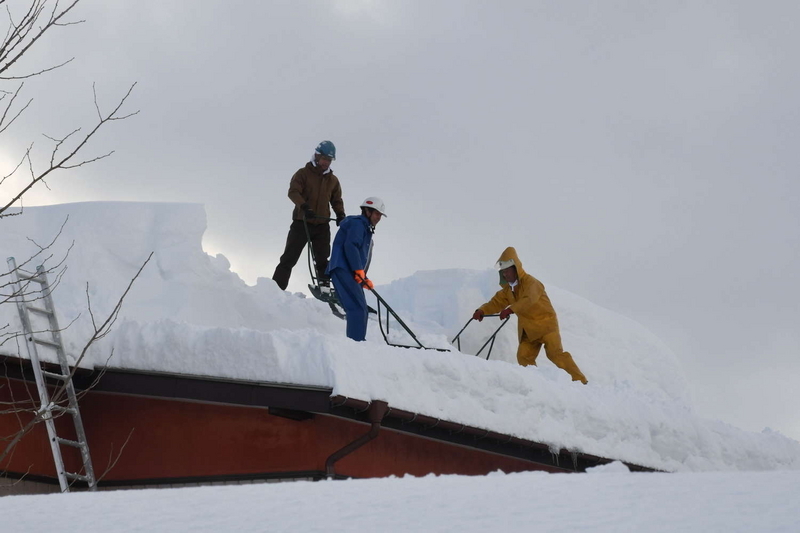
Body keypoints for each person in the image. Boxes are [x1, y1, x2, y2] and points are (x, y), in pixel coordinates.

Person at [473, 247, 588, 384]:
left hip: (546, 326)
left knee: (555, 354)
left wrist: (511, 309)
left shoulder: (532, 283)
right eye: (503, 272)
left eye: (508, 270)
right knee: (523, 357)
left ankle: (581, 381)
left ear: (516, 268)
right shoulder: (507, 291)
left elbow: (529, 299)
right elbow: (495, 303)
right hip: (528, 331)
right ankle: (537, 384)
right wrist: (481, 311)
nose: (505, 274)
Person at [272, 140, 346, 291]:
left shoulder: (333, 180)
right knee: (289, 258)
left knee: (323, 260)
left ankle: (324, 290)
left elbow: (336, 200)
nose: (326, 162)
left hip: (322, 225)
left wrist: (340, 215)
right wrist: (304, 206)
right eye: (324, 158)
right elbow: (293, 192)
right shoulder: (303, 174)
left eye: (329, 160)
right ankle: (276, 289)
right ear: (317, 156)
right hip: (302, 222)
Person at [326, 197, 387, 341]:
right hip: (343, 268)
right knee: (358, 309)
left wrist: (363, 277)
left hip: (346, 270)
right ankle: (357, 343)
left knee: (357, 308)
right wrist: (359, 271)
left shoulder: (364, 228)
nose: (379, 218)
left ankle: (355, 342)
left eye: (380, 215)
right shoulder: (358, 224)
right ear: (367, 211)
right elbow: (351, 246)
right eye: (377, 214)